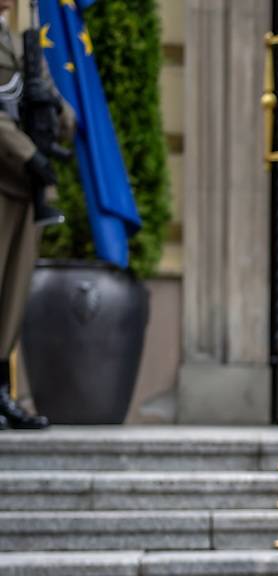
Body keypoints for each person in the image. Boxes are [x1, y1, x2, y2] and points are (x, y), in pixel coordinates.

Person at [0, 0, 73, 430]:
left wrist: (56, 112)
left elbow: (56, 107)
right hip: (8, 174)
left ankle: (1, 390)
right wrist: (28, 155)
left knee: (13, 293)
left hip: (24, 191)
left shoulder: (20, 43)